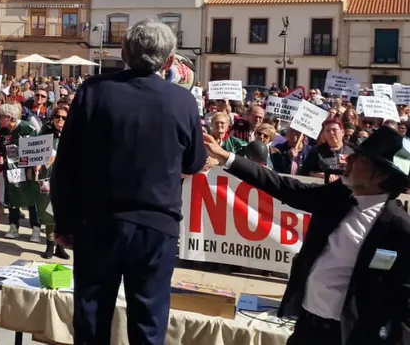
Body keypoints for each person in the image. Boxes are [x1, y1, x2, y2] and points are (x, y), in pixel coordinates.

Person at [51, 19, 207, 345]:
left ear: (123, 52)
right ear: (168, 61)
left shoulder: (92, 91)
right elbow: (194, 162)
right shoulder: (182, 101)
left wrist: (64, 223)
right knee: (149, 325)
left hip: (98, 225)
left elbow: (65, 164)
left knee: (91, 321)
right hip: (156, 227)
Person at [203, 126, 410, 345]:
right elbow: (286, 187)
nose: (347, 160)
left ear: (381, 175)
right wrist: (227, 158)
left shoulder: (398, 229)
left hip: (348, 336)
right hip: (308, 327)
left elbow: (405, 304)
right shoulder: (339, 196)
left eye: (359, 158)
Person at [0, 104, 41, 243]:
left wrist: (34, 166)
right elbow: (0, 147)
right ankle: (13, 227)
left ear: (9, 117)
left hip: (27, 169)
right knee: (12, 198)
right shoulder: (2, 130)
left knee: (31, 200)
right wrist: (0, 156)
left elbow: (38, 149)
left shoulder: (28, 129)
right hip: (10, 169)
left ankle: (36, 230)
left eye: (1, 117)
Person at [37, 106, 69, 260]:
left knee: (63, 213)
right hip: (48, 177)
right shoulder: (45, 132)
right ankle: (49, 245)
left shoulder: (73, 134)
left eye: (63, 117)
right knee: (49, 212)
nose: (60, 120)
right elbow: (35, 151)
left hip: (66, 179)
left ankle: (60, 246)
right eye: (57, 116)